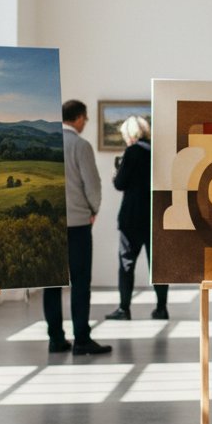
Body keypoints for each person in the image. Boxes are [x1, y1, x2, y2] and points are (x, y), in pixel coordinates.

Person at [43, 99, 112, 355]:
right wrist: (94, 210)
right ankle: (81, 338)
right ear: (79, 118)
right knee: (80, 282)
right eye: (86, 119)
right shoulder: (80, 146)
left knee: (50, 284)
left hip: (50, 224)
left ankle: (55, 339)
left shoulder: (47, 143)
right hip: (77, 224)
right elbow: (92, 185)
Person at [104, 115, 169, 321]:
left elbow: (120, 183)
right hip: (156, 216)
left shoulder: (132, 151)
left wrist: (116, 175)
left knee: (126, 263)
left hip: (132, 217)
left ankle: (124, 309)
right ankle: (161, 308)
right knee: (158, 267)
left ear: (130, 134)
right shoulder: (157, 151)